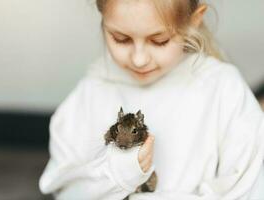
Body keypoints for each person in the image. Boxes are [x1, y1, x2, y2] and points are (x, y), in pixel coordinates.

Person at [39, 0, 264, 199]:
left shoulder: (223, 88)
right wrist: (119, 173)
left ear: (193, 22)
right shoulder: (91, 93)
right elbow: (66, 189)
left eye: (160, 41)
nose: (139, 59)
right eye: (121, 39)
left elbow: (249, 189)